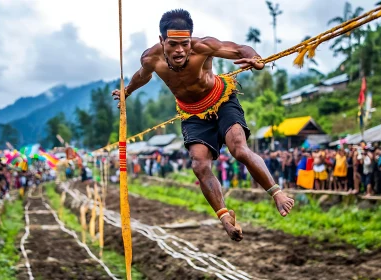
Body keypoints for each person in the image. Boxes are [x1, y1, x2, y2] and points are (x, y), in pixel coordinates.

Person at [112, 9, 294, 241]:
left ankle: (276, 192)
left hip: (221, 100)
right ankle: (225, 218)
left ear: (191, 40)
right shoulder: (151, 58)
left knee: (238, 148)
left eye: (184, 44)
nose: (179, 50)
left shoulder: (204, 47)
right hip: (192, 113)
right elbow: (142, 75)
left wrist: (256, 59)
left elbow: (240, 49)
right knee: (199, 164)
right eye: (173, 44)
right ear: (162, 41)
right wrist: (127, 91)